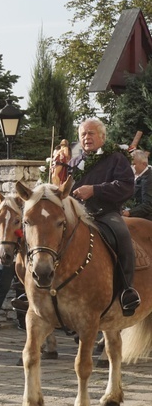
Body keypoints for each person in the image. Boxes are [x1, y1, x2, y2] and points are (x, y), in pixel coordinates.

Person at [68, 118, 140, 316]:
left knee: (122, 234)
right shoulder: (74, 162)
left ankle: (127, 290)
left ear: (102, 136)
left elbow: (127, 186)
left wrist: (95, 190)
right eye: (83, 134)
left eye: (91, 133)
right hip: (76, 216)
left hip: (105, 214)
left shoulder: (116, 158)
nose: (86, 137)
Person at [123, 149, 152, 221]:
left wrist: (129, 213)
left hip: (145, 218)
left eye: (134, 164)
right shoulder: (133, 176)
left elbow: (147, 206)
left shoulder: (149, 179)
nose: (131, 167)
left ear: (144, 164)